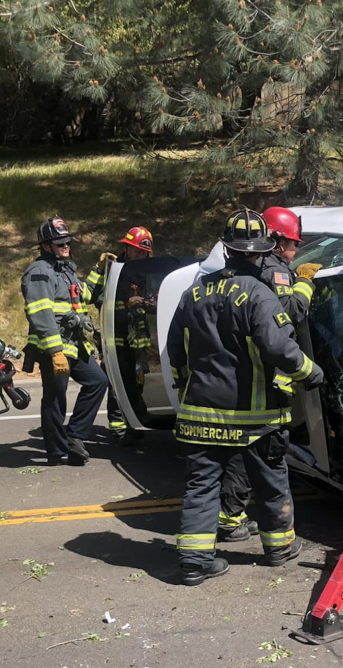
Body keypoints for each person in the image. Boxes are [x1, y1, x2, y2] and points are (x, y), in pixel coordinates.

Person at [167, 208, 324, 585]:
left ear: (226, 248)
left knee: (202, 486)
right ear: (261, 252)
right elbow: (280, 349)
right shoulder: (260, 293)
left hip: (200, 415)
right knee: (271, 480)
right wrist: (311, 373)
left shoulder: (195, 293)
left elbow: (176, 352)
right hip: (255, 417)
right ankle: (279, 548)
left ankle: (194, 561)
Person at [216, 206, 325, 543]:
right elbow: (289, 313)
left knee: (238, 452)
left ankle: (229, 517)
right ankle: (275, 538)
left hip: (235, 378)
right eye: (293, 244)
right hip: (268, 380)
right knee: (267, 456)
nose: (295, 251)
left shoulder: (234, 272)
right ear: (277, 243)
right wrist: (305, 283)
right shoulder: (274, 270)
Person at [20, 216, 109, 466]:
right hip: (54, 348)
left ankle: (74, 437)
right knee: (55, 398)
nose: (66, 246)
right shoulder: (39, 272)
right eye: (60, 243)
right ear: (46, 245)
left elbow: (86, 294)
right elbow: (40, 313)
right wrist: (56, 352)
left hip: (75, 344)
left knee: (98, 381)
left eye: (67, 242)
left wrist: (99, 270)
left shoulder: (66, 268)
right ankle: (55, 451)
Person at [99, 226, 155, 446]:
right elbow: (99, 300)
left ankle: (134, 423)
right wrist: (125, 303)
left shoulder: (147, 273)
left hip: (139, 340)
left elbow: (154, 298)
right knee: (117, 384)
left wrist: (148, 302)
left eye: (144, 253)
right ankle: (118, 428)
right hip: (117, 339)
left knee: (137, 383)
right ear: (126, 249)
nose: (140, 256)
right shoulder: (115, 271)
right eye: (136, 251)